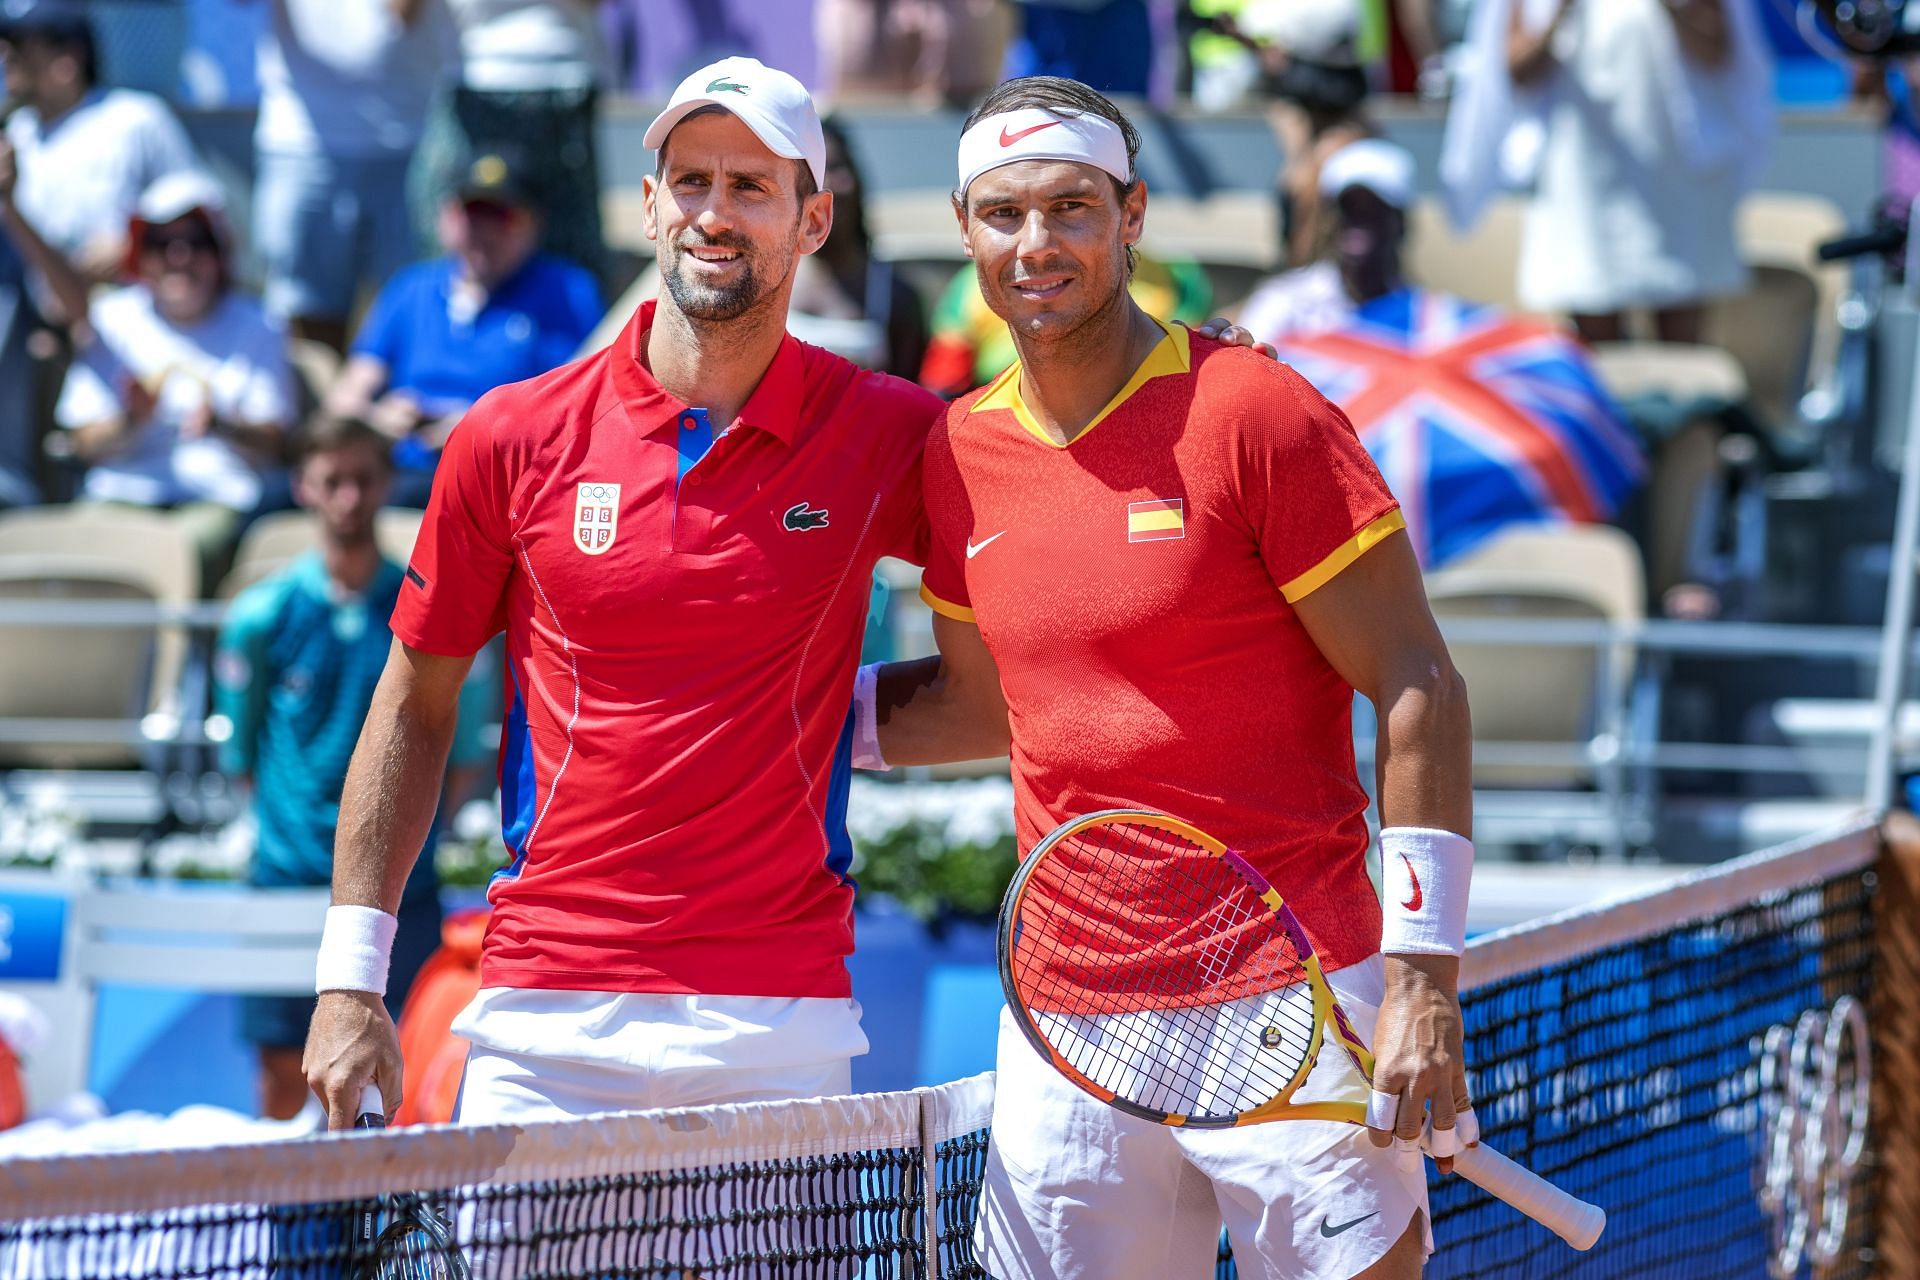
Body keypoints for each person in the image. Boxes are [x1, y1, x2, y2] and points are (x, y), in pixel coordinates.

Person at [299, 55, 1267, 1133]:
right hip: (542, 1019)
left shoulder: (895, 431)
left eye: (754, 186)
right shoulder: (510, 435)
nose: (717, 213)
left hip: (783, 1021)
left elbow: (1061, 477)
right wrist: (351, 977)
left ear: (813, 220)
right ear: (650, 202)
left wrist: (1188, 375)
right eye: (695, 181)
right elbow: (413, 703)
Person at [869, 77, 1476, 1279]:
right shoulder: (955, 454)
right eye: (1003, 214)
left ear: (1133, 212)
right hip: (1065, 1024)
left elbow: (1418, 683)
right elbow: (985, 707)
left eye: (1071, 208)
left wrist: (1423, 984)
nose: (1035, 243)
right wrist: (753, 714)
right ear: (963, 228)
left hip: (1298, 989)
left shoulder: (1259, 409)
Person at [215, 416, 495, 1120]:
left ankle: (379, 1237)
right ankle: (290, 1231)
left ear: (386, 485)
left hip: (401, 891)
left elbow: (457, 752)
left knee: (401, 1074)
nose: (348, 497)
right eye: (331, 480)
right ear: (304, 487)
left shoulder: (425, 608)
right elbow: (241, 753)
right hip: (288, 877)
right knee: (284, 1080)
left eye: (364, 479)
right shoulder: (261, 615)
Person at [1441, 0, 1774, 344]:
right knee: (1595, 337)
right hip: (1581, 178)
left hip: (1676, 172)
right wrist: (1559, 13)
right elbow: (1514, 71)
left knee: (1681, 345)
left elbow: (1719, 54)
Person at [55, 172, 295, 589]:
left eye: (196, 242)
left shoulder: (260, 324)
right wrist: (129, 420)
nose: (179, 257)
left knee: (177, 555)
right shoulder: (112, 318)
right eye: (162, 244)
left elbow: (279, 442)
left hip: (217, 497)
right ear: (141, 256)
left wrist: (220, 423)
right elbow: (79, 442)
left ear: (219, 251)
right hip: (120, 492)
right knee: (75, 551)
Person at [326, 147, 602, 507]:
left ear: (532, 225)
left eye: (501, 216)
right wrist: (379, 420)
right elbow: (346, 395)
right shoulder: (412, 287)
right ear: (447, 218)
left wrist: (477, 427)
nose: (484, 231)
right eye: (474, 213)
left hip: (504, 475)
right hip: (402, 469)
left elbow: (585, 405)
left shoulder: (566, 292)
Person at [250, 0, 454, 353]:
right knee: (304, 316)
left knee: (412, 316)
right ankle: (322, 406)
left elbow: (404, 13)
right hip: (300, 140)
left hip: (409, 138)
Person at [0, 0, 201, 315]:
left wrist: (134, 246)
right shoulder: (14, 134)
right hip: (43, 329)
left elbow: (204, 213)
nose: (6, 55)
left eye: (20, 44)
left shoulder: (134, 118)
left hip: (141, 320)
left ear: (68, 58)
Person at [407, 0, 609, 285]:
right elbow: (401, 16)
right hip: (472, 85)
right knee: (448, 249)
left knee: (569, 262)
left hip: (561, 84)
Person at [785, 117, 929, 380]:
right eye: (817, 171)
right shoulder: (770, 278)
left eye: (839, 167)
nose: (835, 184)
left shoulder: (894, 295)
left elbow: (912, 400)